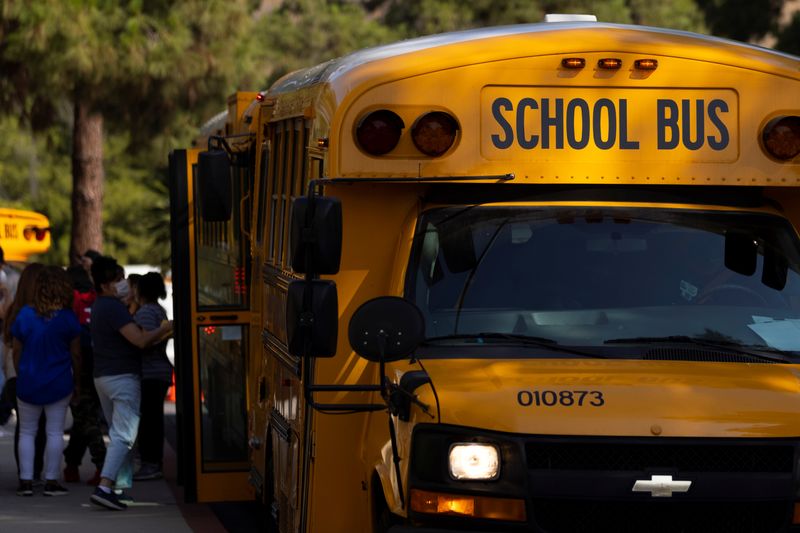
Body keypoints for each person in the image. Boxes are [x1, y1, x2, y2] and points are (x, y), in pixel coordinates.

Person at [88, 256, 171, 510]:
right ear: (104, 284)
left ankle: (119, 488)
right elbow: (140, 340)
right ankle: (105, 486)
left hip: (103, 376)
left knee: (119, 434)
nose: (123, 283)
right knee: (124, 435)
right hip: (122, 377)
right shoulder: (113, 308)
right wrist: (167, 327)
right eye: (117, 279)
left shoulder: (101, 306)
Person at [11, 266, 82, 497]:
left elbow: (16, 349)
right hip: (59, 383)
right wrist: (78, 382)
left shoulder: (24, 315)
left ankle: (26, 481)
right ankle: (51, 481)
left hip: (29, 381)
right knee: (54, 432)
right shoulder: (68, 318)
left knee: (27, 432)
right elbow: (76, 354)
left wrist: (22, 372)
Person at [2, 263, 47, 482]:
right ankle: (35, 471)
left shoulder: (13, 309)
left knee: (25, 426)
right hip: (35, 373)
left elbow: (9, 344)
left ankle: (26, 474)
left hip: (14, 375)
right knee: (42, 427)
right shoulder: (42, 313)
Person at [62, 265, 106, 485]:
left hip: (78, 363)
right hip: (100, 364)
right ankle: (71, 464)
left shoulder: (70, 300)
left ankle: (102, 467)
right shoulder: (97, 297)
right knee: (84, 418)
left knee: (86, 419)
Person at [133, 272, 172, 481]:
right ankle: (152, 462)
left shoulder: (146, 312)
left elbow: (144, 341)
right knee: (153, 418)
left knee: (149, 420)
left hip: (150, 372)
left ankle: (151, 463)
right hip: (160, 371)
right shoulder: (160, 310)